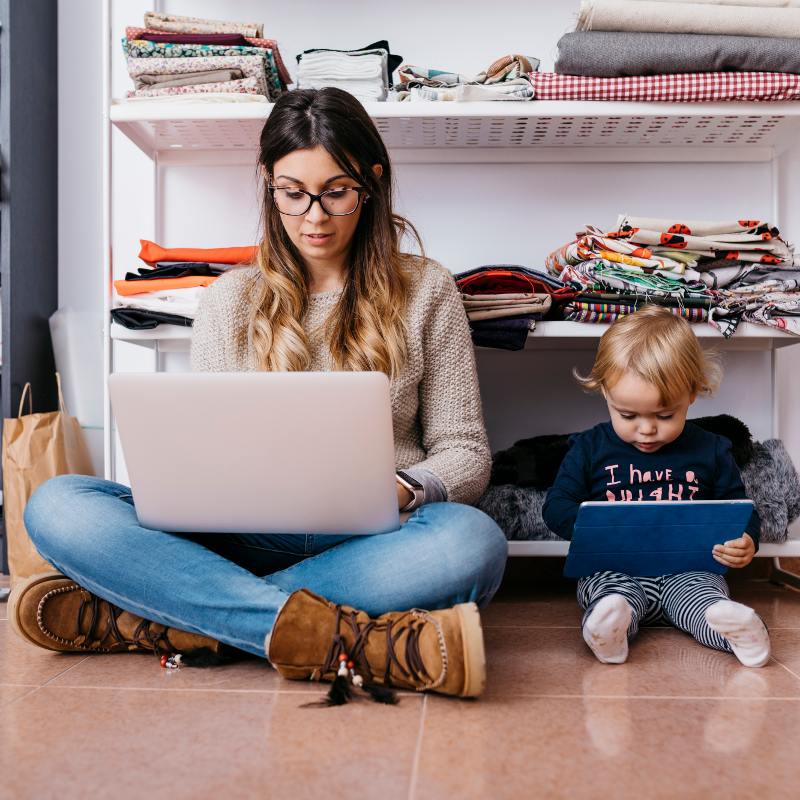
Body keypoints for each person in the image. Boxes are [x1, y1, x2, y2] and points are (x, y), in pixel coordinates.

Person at [11, 88, 508, 699]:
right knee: (57, 504)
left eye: (336, 192)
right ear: (267, 184)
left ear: (372, 182)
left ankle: (182, 620)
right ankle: (333, 635)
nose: (314, 216)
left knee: (473, 543)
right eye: (291, 193)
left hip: (373, 540)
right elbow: (211, 451)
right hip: (239, 539)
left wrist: (406, 488)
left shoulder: (427, 289)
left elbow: (466, 453)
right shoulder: (230, 300)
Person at [542, 305, 770, 668]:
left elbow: (737, 507)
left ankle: (735, 628)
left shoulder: (710, 448)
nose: (646, 430)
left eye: (665, 416)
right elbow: (556, 506)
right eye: (628, 415)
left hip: (689, 569)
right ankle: (611, 629)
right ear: (605, 393)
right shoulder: (589, 447)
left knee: (701, 599)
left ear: (692, 394)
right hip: (615, 566)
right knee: (610, 595)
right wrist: (593, 530)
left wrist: (746, 541)